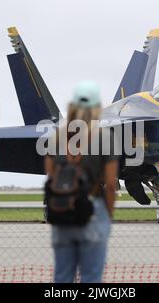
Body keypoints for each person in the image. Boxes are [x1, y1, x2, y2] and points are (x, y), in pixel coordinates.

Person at [44, 81, 118, 283]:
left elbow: (51, 178)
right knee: (91, 279)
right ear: (97, 107)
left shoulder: (54, 138)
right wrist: (108, 215)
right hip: (93, 212)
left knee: (62, 279)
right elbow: (111, 184)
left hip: (62, 214)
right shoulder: (105, 137)